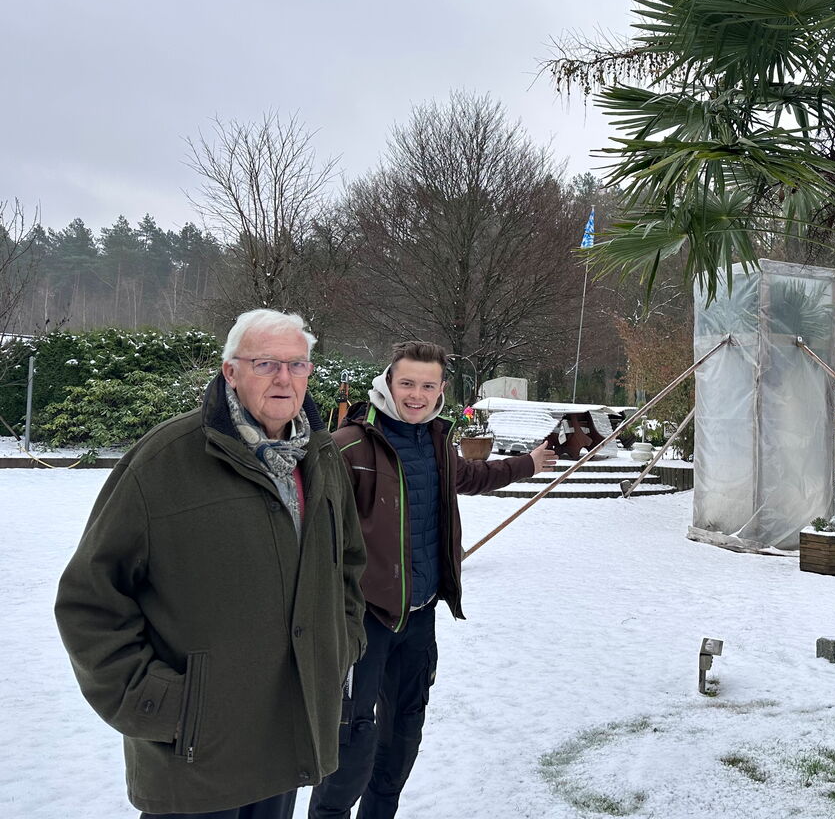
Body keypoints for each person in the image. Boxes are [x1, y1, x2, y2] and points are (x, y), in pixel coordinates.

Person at [54, 309, 367, 819]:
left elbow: (348, 563)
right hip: (198, 755)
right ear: (230, 372)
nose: (284, 378)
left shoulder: (322, 455)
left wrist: (342, 644)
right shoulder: (163, 461)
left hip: (290, 736)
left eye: (297, 364)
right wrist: (160, 702)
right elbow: (89, 599)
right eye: (265, 363)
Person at [308, 340, 556, 819]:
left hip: (419, 617)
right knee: (352, 741)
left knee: (402, 737)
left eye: (427, 385)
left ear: (442, 389)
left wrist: (528, 464)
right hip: (364, 622)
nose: (416, 395)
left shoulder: (438, 442)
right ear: (387, 382)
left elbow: (472, 475)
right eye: (407, 383)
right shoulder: (348, 447)